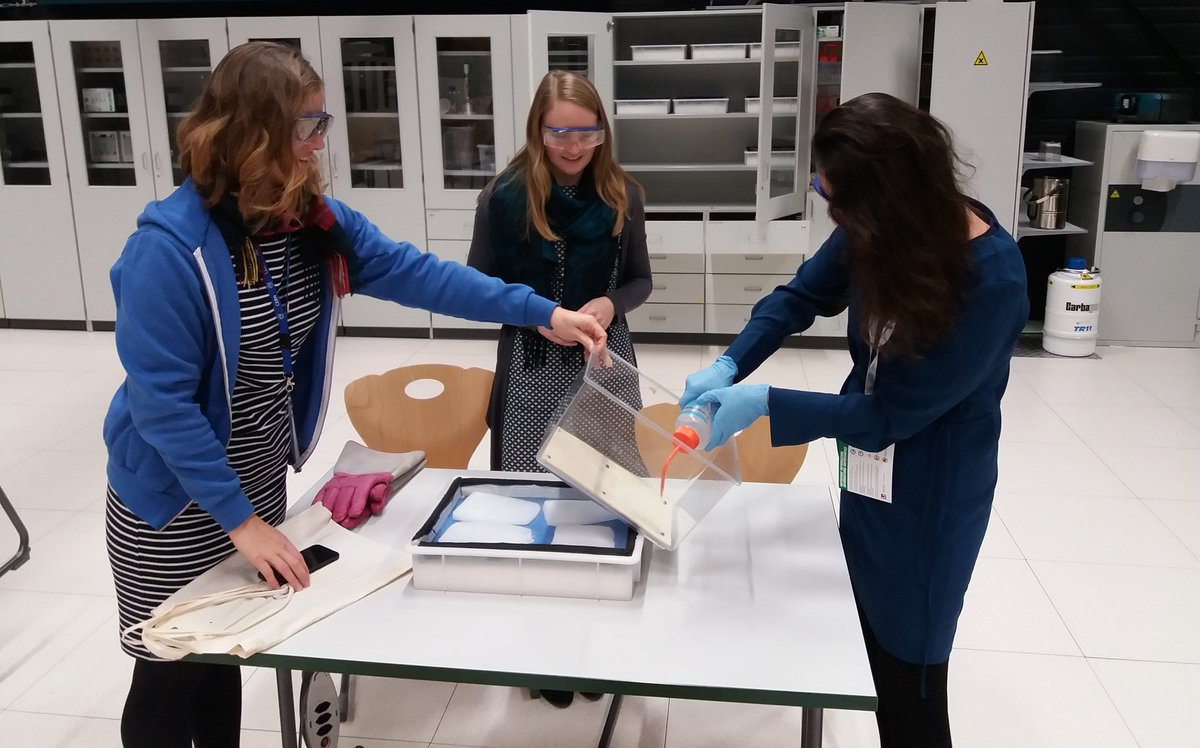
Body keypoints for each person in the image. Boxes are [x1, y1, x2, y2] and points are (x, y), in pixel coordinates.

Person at [103, 42, 607, 748]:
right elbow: (163, 407)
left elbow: (423, 274)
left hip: (250, 482)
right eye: (306, 126)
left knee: (221, 655)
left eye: (321, 123)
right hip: (168, 499)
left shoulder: (310, 221)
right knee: (169, 664)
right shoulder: (169, 250)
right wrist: (239, 522)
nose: (318, 143)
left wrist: (541, 312)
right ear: (253, 134)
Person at [680, 92, 1028, 747]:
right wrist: (731, 363)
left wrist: (768, 405)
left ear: (890, 195)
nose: (833, 212)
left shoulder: (992, 281)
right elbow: (800, 297)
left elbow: (891, 414)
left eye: (835, 198)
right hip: (868, 472)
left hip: (931, 493)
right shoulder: (880, 225)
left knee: (912, 675)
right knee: (866, 645)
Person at [467, 70, 651, 709]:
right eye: (560, 132)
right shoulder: (503, 196)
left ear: (602, 131)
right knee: (537, 506)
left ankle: (596, 642)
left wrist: (609, 301)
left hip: (601, 362)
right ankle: (543, 651)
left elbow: (639, 283)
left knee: (601, 504)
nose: (574, 146)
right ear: (537, 131)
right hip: (530, 365)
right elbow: (476, 284)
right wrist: (535, 312)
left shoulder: (624, 193)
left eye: (586, 132)